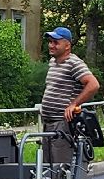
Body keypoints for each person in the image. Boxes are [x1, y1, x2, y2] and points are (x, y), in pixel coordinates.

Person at [40, 26, 99, 168]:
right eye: (50, 42)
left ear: (67, 45)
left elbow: (93, 84)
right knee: (47, 168)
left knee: (59, 168)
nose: (51, 45)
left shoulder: (74, 63)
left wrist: (74, 104)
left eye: (55, 42)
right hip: (49, 123)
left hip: (62, 124)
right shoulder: (53, 63)